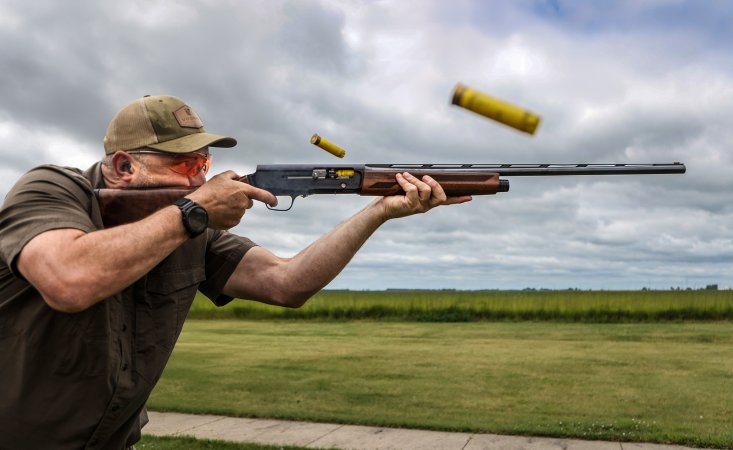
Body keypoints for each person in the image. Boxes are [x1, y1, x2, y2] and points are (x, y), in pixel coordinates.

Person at [0, 95, 471, 450]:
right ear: (124, 166)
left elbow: (286, 283)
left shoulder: (190, 227)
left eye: (205, 164)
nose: (201, 180)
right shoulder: (52, 189)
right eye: (186, 164)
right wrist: (192, 211)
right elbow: (69, 279)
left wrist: (379, 211)